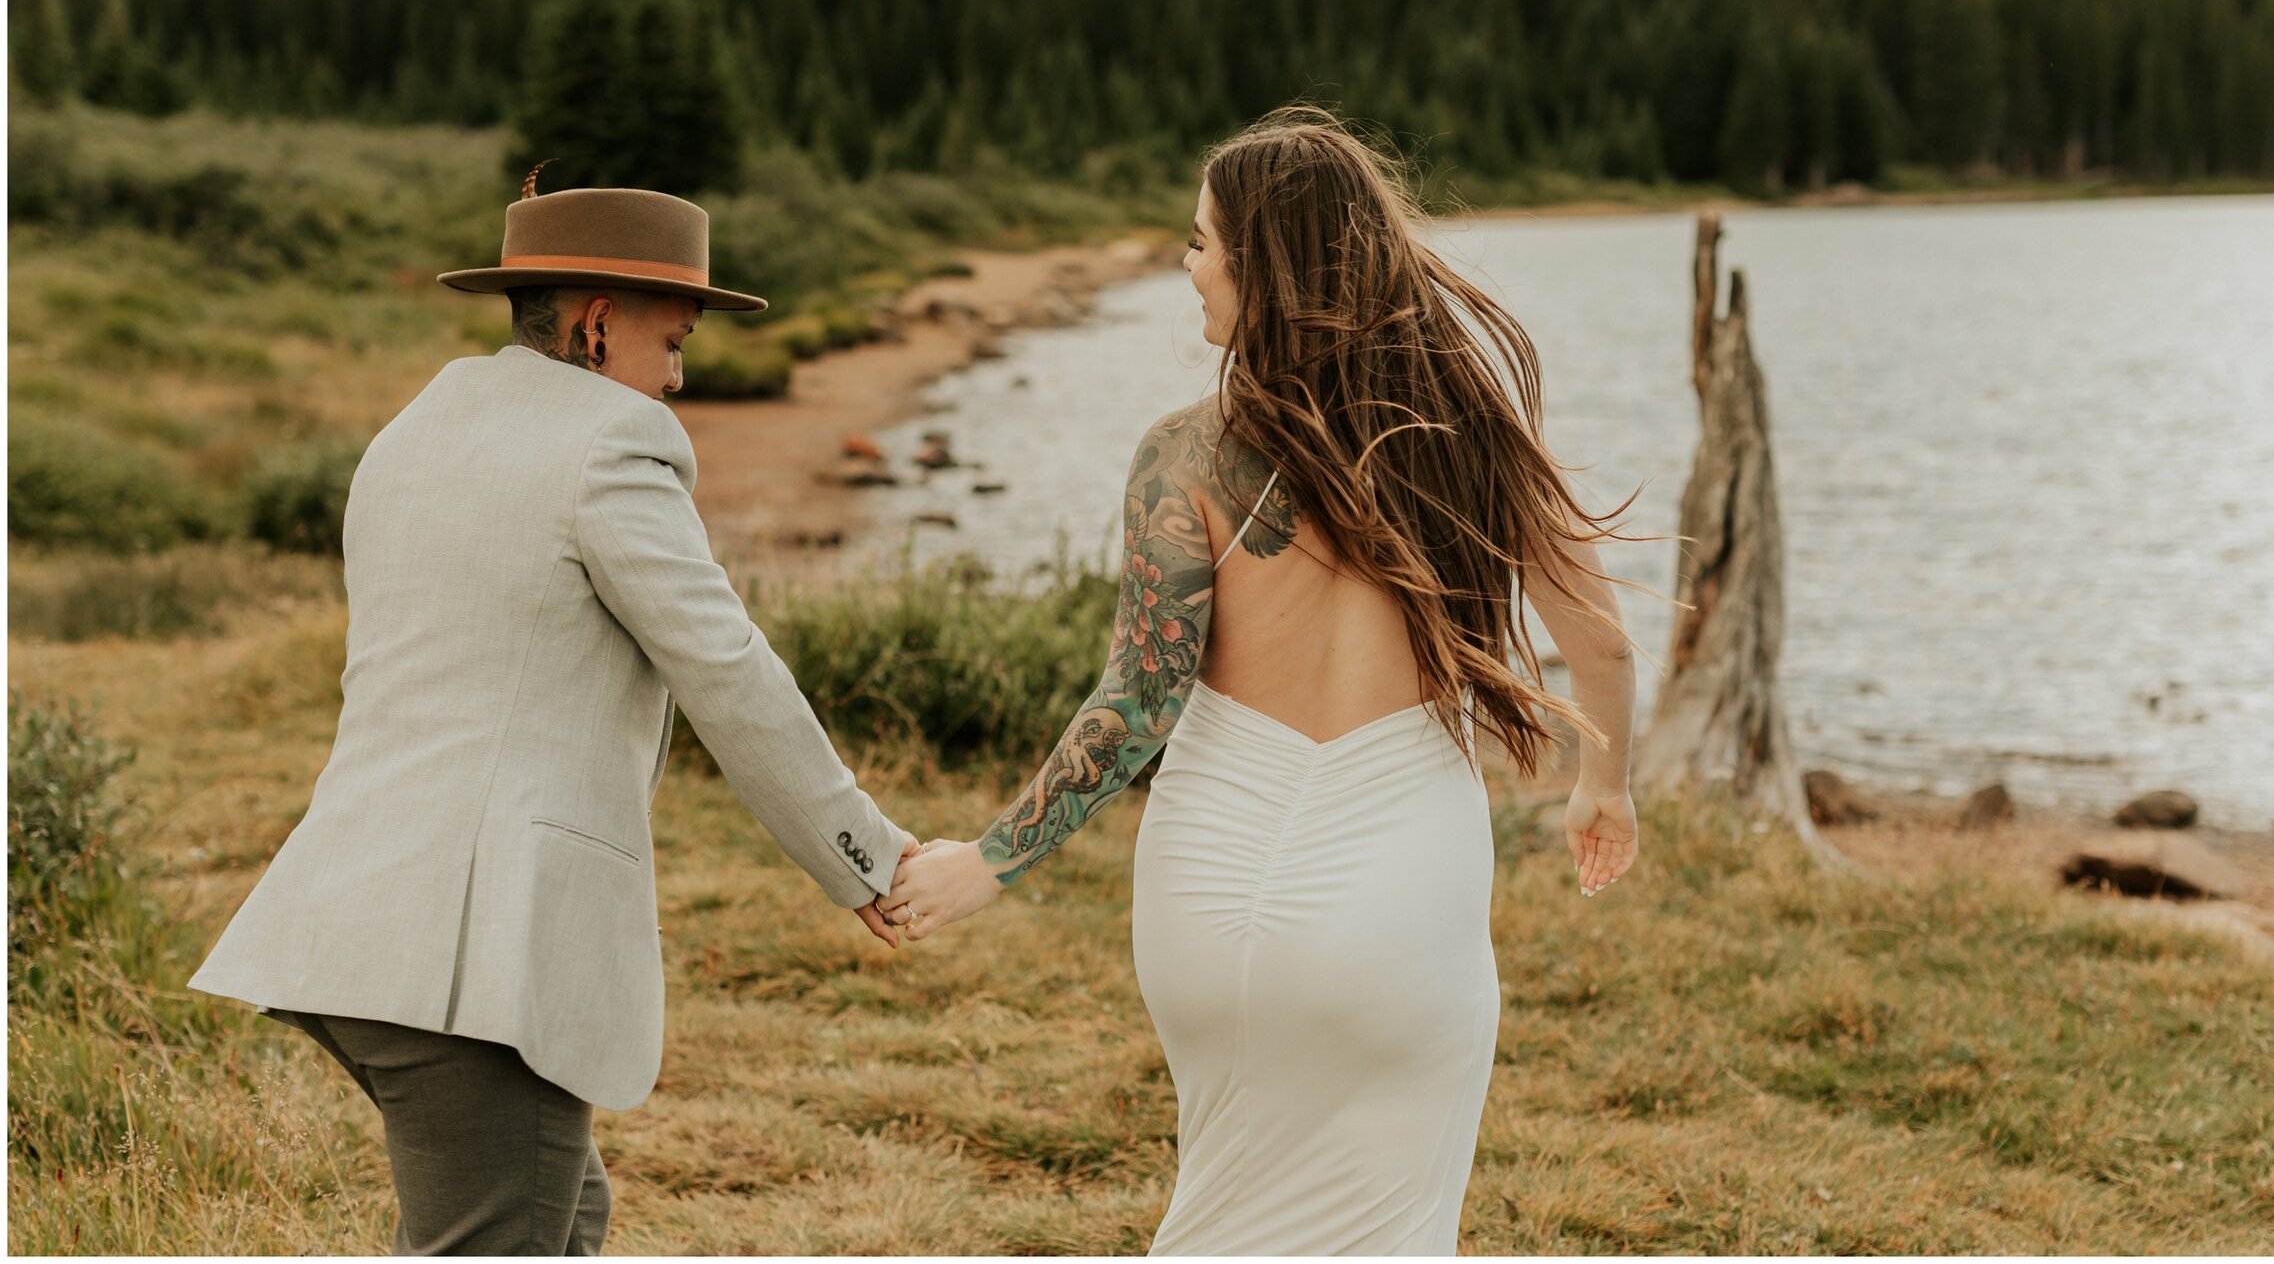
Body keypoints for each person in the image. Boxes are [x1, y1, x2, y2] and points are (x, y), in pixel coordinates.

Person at [888, 110, 1638, 1258]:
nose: (1186, 265)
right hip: (1395, 897)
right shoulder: (1466, 430)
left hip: (1209, 896)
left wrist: (987, 861)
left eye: (1199, 242)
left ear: (1264, 262)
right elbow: (1605, 642)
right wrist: (1606, 783)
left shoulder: (1183, 455)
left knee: (1224, 1209)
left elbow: (1136, 700)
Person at [190, 184, 916, 1254]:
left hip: (357, 914)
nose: (677, 374)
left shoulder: (418, 424)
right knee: (507, 1234)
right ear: (595, 321)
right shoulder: (615, 441)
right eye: (672, 340)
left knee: (566, 1214)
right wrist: (870, 857)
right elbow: (727, 669)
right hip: (477, 947)